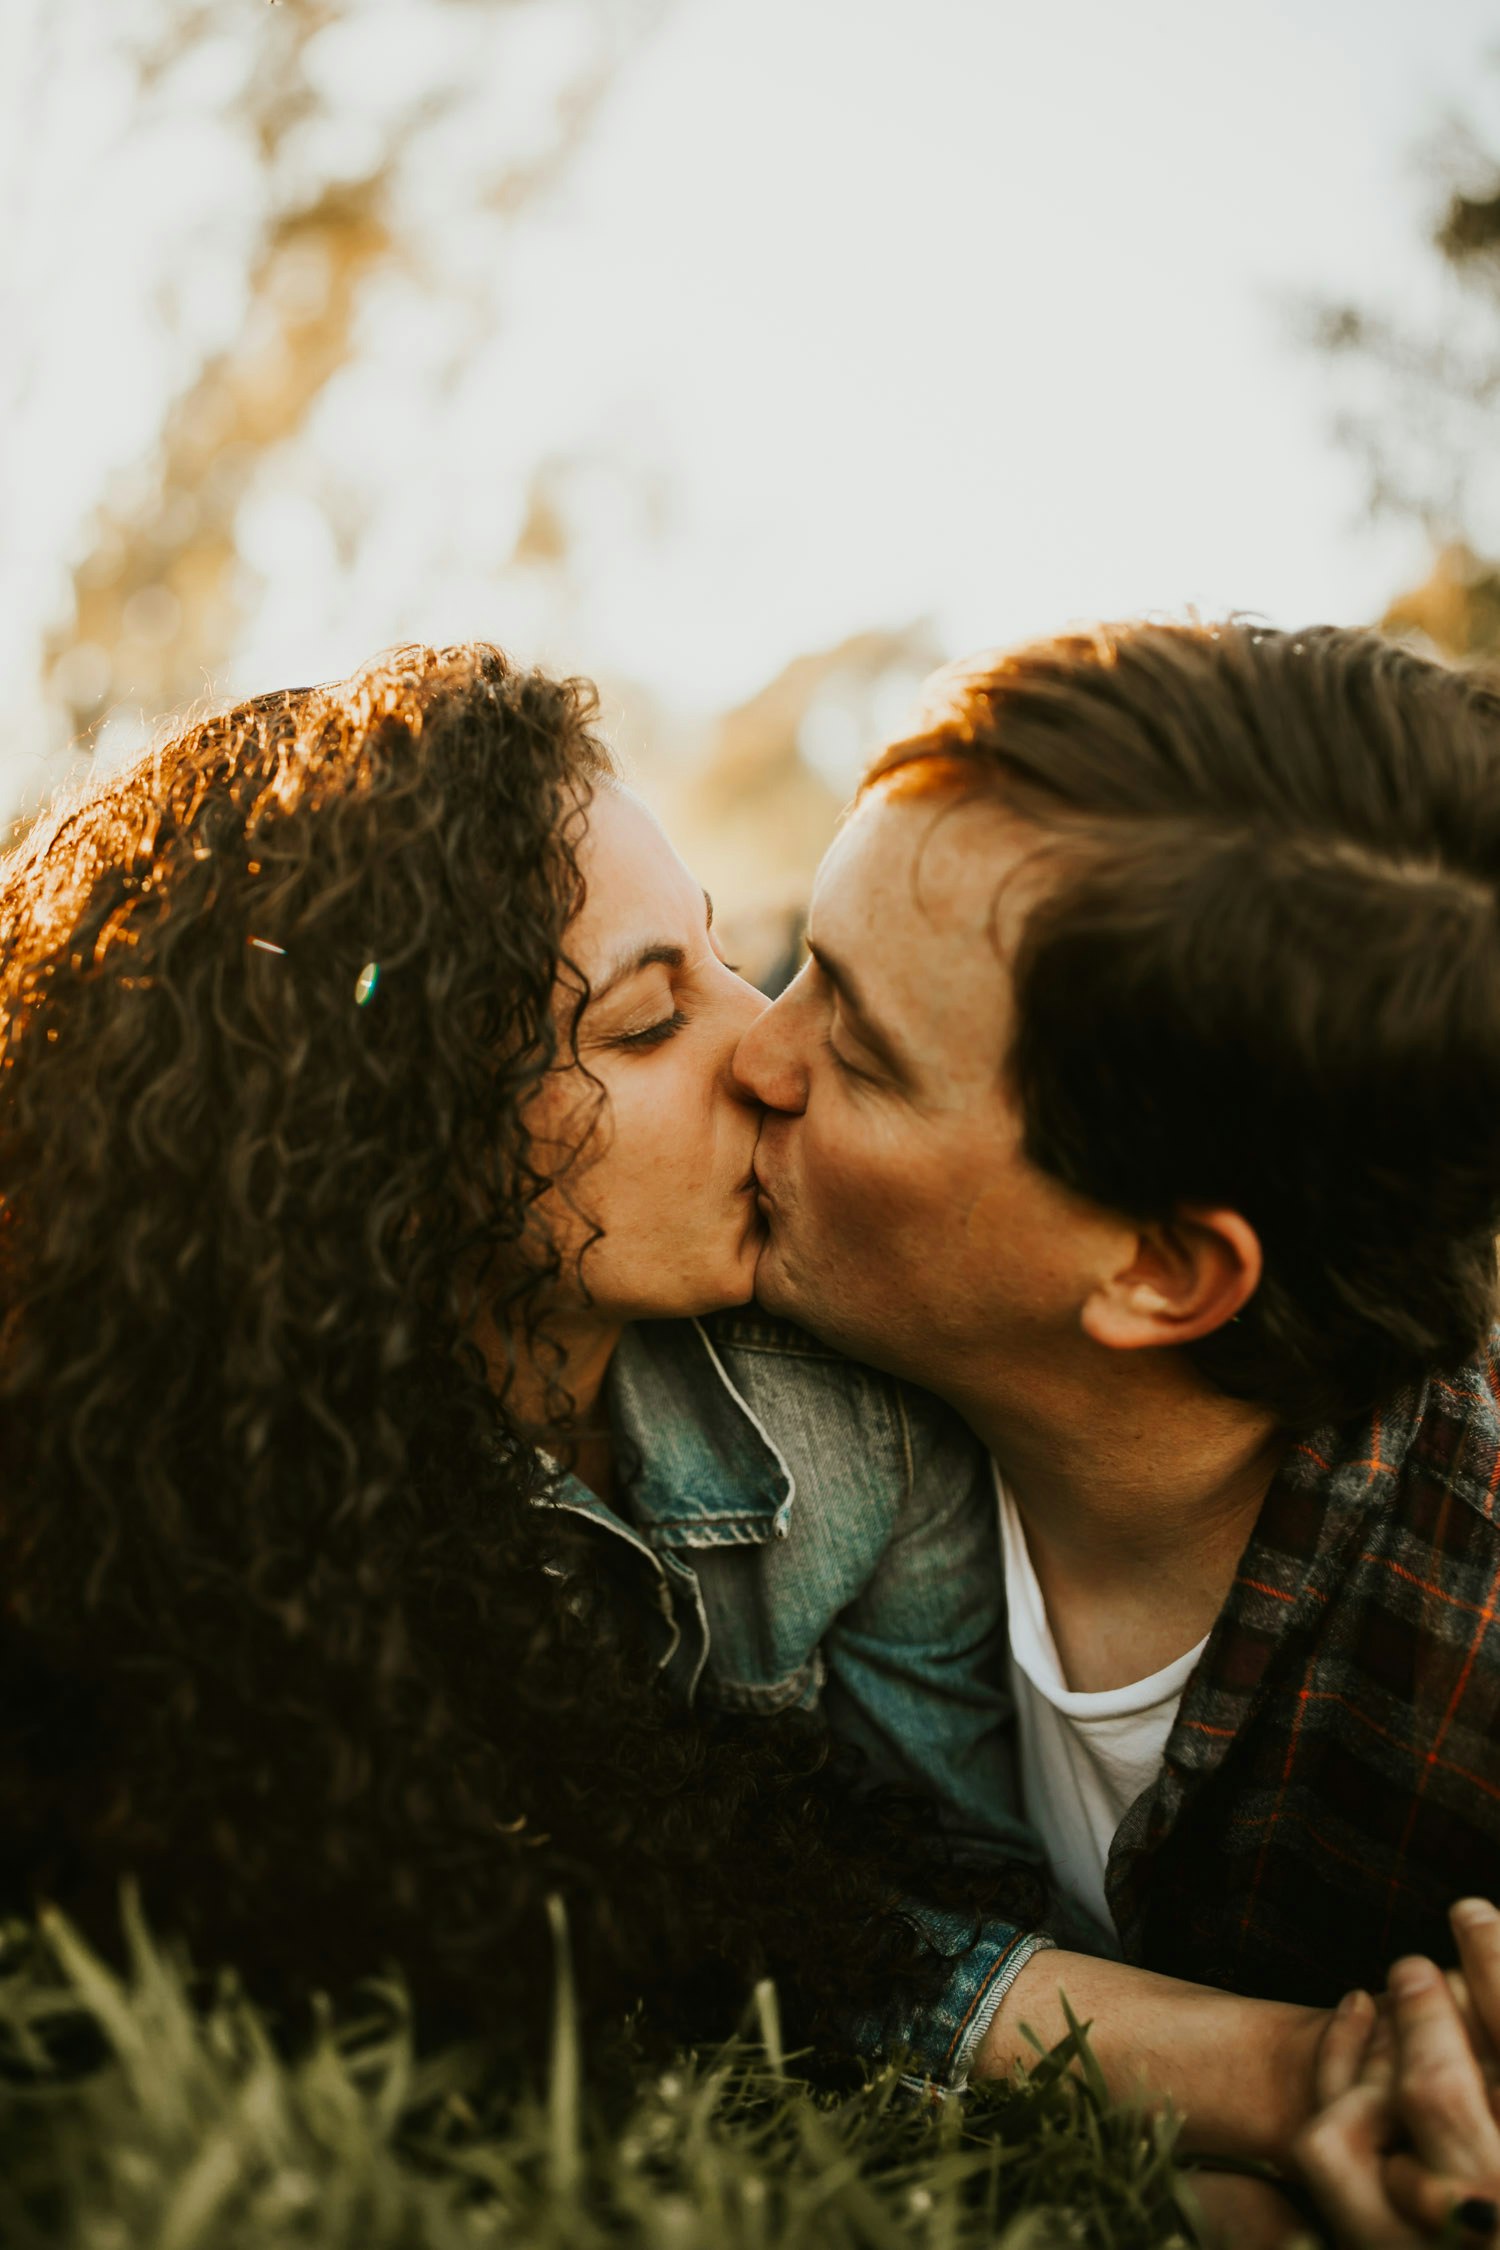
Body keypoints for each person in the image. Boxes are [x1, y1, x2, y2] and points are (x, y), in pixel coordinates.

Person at [734, 618, 1500, 2182]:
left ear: (1157, 1268)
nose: (753, 1048)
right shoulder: (717, 1366)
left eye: (859, 1048)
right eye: (797, 961)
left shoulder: (1464, 1672)